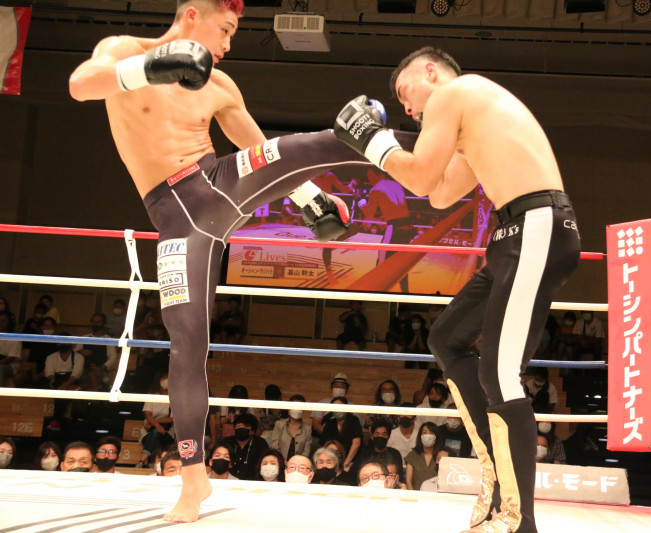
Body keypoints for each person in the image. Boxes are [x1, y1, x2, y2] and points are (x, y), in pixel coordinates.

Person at [68, 0, 415, 523]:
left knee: (314, 146)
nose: (229, 44)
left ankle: (431, 149)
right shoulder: (124, 52)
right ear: (192, 15)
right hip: (178, 221)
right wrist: (154, 67)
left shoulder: (220, 84)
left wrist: (310, 201)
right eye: (225, 29)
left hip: (214, 184)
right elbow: (80, 85)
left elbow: (255, 145)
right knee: (186, 344)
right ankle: (193, 478)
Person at [336, 45, 580, 529]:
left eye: (405, 91)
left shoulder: (456, 91)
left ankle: (519, 520)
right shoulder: (474, 122)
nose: (408, 107)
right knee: (446, 339)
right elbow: (440, 192)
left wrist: (374, 141)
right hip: (515, 236)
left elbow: (420, 176)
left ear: (431, 72)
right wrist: (382, 146)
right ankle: (498, 487)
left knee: (501, 374)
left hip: (536, 225)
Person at [358, 167, 414, 293]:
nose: (369, 179)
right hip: (409, 226)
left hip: (395, 227)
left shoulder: (376, 189)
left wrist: (361, 202)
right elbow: (395, 206)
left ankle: (376, 292)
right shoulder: (396, 184)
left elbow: (369, 214)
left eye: (370, 176)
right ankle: (405, 292)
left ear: (379, 174)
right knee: (401, 262)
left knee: (382, 262)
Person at [138, 371, 174, 467]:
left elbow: (172, 419)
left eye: (167, 378)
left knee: (156, 433)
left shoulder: (174, 398)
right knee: (154, 434)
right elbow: (148, 415)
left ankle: (142, 461)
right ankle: (150, 463)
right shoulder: (152, 396)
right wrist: (157, 426)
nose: (166, 380)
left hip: (167, 432)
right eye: (163, 378)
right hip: (148, 431)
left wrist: (154, 423)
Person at [220, 413, 269, 481]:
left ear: (252, 431)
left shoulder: (260, 443)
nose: (241, 428)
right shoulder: (227, 442)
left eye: (245, 426)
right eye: (238, 426)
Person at [319, 397, 362, 472]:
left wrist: (345, 464)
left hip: (351, 462)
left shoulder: (353, 420)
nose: (338, 409)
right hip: (332, 461)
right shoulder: (330, 423)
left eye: (340, 406)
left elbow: (356, 443)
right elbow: (325, 445)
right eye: (335, 407)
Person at [270, 395, 312, 460]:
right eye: (294, 407)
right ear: (289, 408)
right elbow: (274, 446)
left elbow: (306, 451)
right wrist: (282, 461)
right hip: (280, 461)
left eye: (300, 407)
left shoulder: (307, 429)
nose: (297, 410)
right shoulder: (279, 424)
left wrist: (296, 462)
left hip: (299, 463)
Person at [404, 422, 443, 491]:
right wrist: (413, 495)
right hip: (416, 494)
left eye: (431, 433)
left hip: (435, 495)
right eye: (425, 432)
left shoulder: (441, 455)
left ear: (436, 436)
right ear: (420, 436)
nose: (428, 435)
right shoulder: (412, 455)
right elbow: (408, 481)